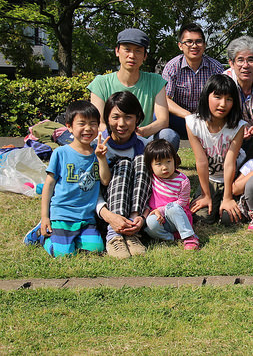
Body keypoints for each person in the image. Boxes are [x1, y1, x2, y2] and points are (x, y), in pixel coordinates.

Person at [24, 101, 110, 257]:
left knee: (96, 249)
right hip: (62, 215)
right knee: (63, 254)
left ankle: (69, 239)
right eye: (81, 123)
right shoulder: (61, 153)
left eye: (93, 124)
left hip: (86, 217)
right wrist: (45, 216)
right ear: (69, 127)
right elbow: (49, 186)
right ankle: (40, 235)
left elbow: (105, 181)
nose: (88, 128)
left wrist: (101, 159)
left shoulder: (99, 153)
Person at [88, 28, 180, 151]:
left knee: (169, 135)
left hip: (143, 140)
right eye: (127, 49)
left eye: (138, 51)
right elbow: (98, 122)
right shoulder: (100, 83)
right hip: (110, 139)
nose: (132, 55)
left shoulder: (156, 81)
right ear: (117, 51)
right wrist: (119, 134)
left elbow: (163, 121)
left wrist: (140, 132)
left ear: (145, 56)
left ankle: (154, 167)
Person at [96, 91, 151, 259]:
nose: (121, 124)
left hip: (136, 208)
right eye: (115, 117)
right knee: (124, 164)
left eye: (128, 117)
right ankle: (114, 236)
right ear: (106, 119)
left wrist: (143, 216)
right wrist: (109, 216)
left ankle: (132, 231)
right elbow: (90, 189)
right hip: (106, 209)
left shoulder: (145, 145)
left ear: (137, 118)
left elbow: (154, 187)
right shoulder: (97, 146)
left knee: (143, 160)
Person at [187, 74, 246, 225]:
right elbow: (201, 162)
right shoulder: (193, 123)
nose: (223, 104)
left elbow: (229, 163)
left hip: (233, 180)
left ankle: (228, 200)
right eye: (217, 97)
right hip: (210, 179)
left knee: (229, 218)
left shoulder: (238, 126)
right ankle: (209, 197)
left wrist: (227, 197)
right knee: (202, 217)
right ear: (207, 96)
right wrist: (206, 195)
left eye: (229, 99)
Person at [162, 23, 224, 139]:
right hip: (181, 119)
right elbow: (165, 99)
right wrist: (189, 116)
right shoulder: (172, 67)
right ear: (180, 46)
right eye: (189, 42)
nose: (194, 46)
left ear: (204, 45)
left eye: (198, 42)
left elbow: (222, 98)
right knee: (158, 115)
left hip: (209, 120)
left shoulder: (216, 68)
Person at [142, 139, 199, 250]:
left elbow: (182, 203)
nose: (164, 167)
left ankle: (189, 237)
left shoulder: (182, 181)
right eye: (158, 164)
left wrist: (161, 210)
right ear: (150, 166)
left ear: (174, 160)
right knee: (150, 223)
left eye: (168, 161)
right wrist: (156, 213)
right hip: (160, 218)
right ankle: (171, 237)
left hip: (178, 217)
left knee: (172, 207)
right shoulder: (153, 178)